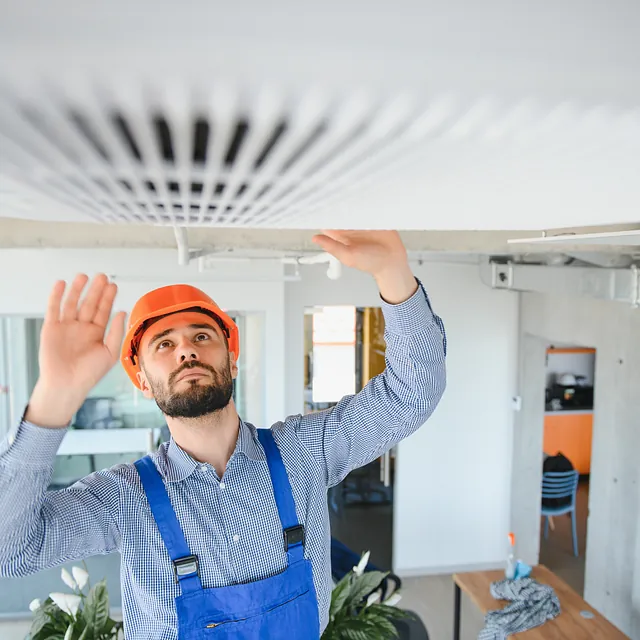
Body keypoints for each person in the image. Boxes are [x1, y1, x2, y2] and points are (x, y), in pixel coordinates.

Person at [0, 230, 447, 639]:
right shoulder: (125, 497)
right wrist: (52, 403)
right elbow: (13, 550)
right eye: (164, 344)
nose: (187, 350)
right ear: (142, 381)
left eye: (201, 335)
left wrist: (393, 271)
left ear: (232, 358)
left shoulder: (304, 452)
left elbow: (411, 394)